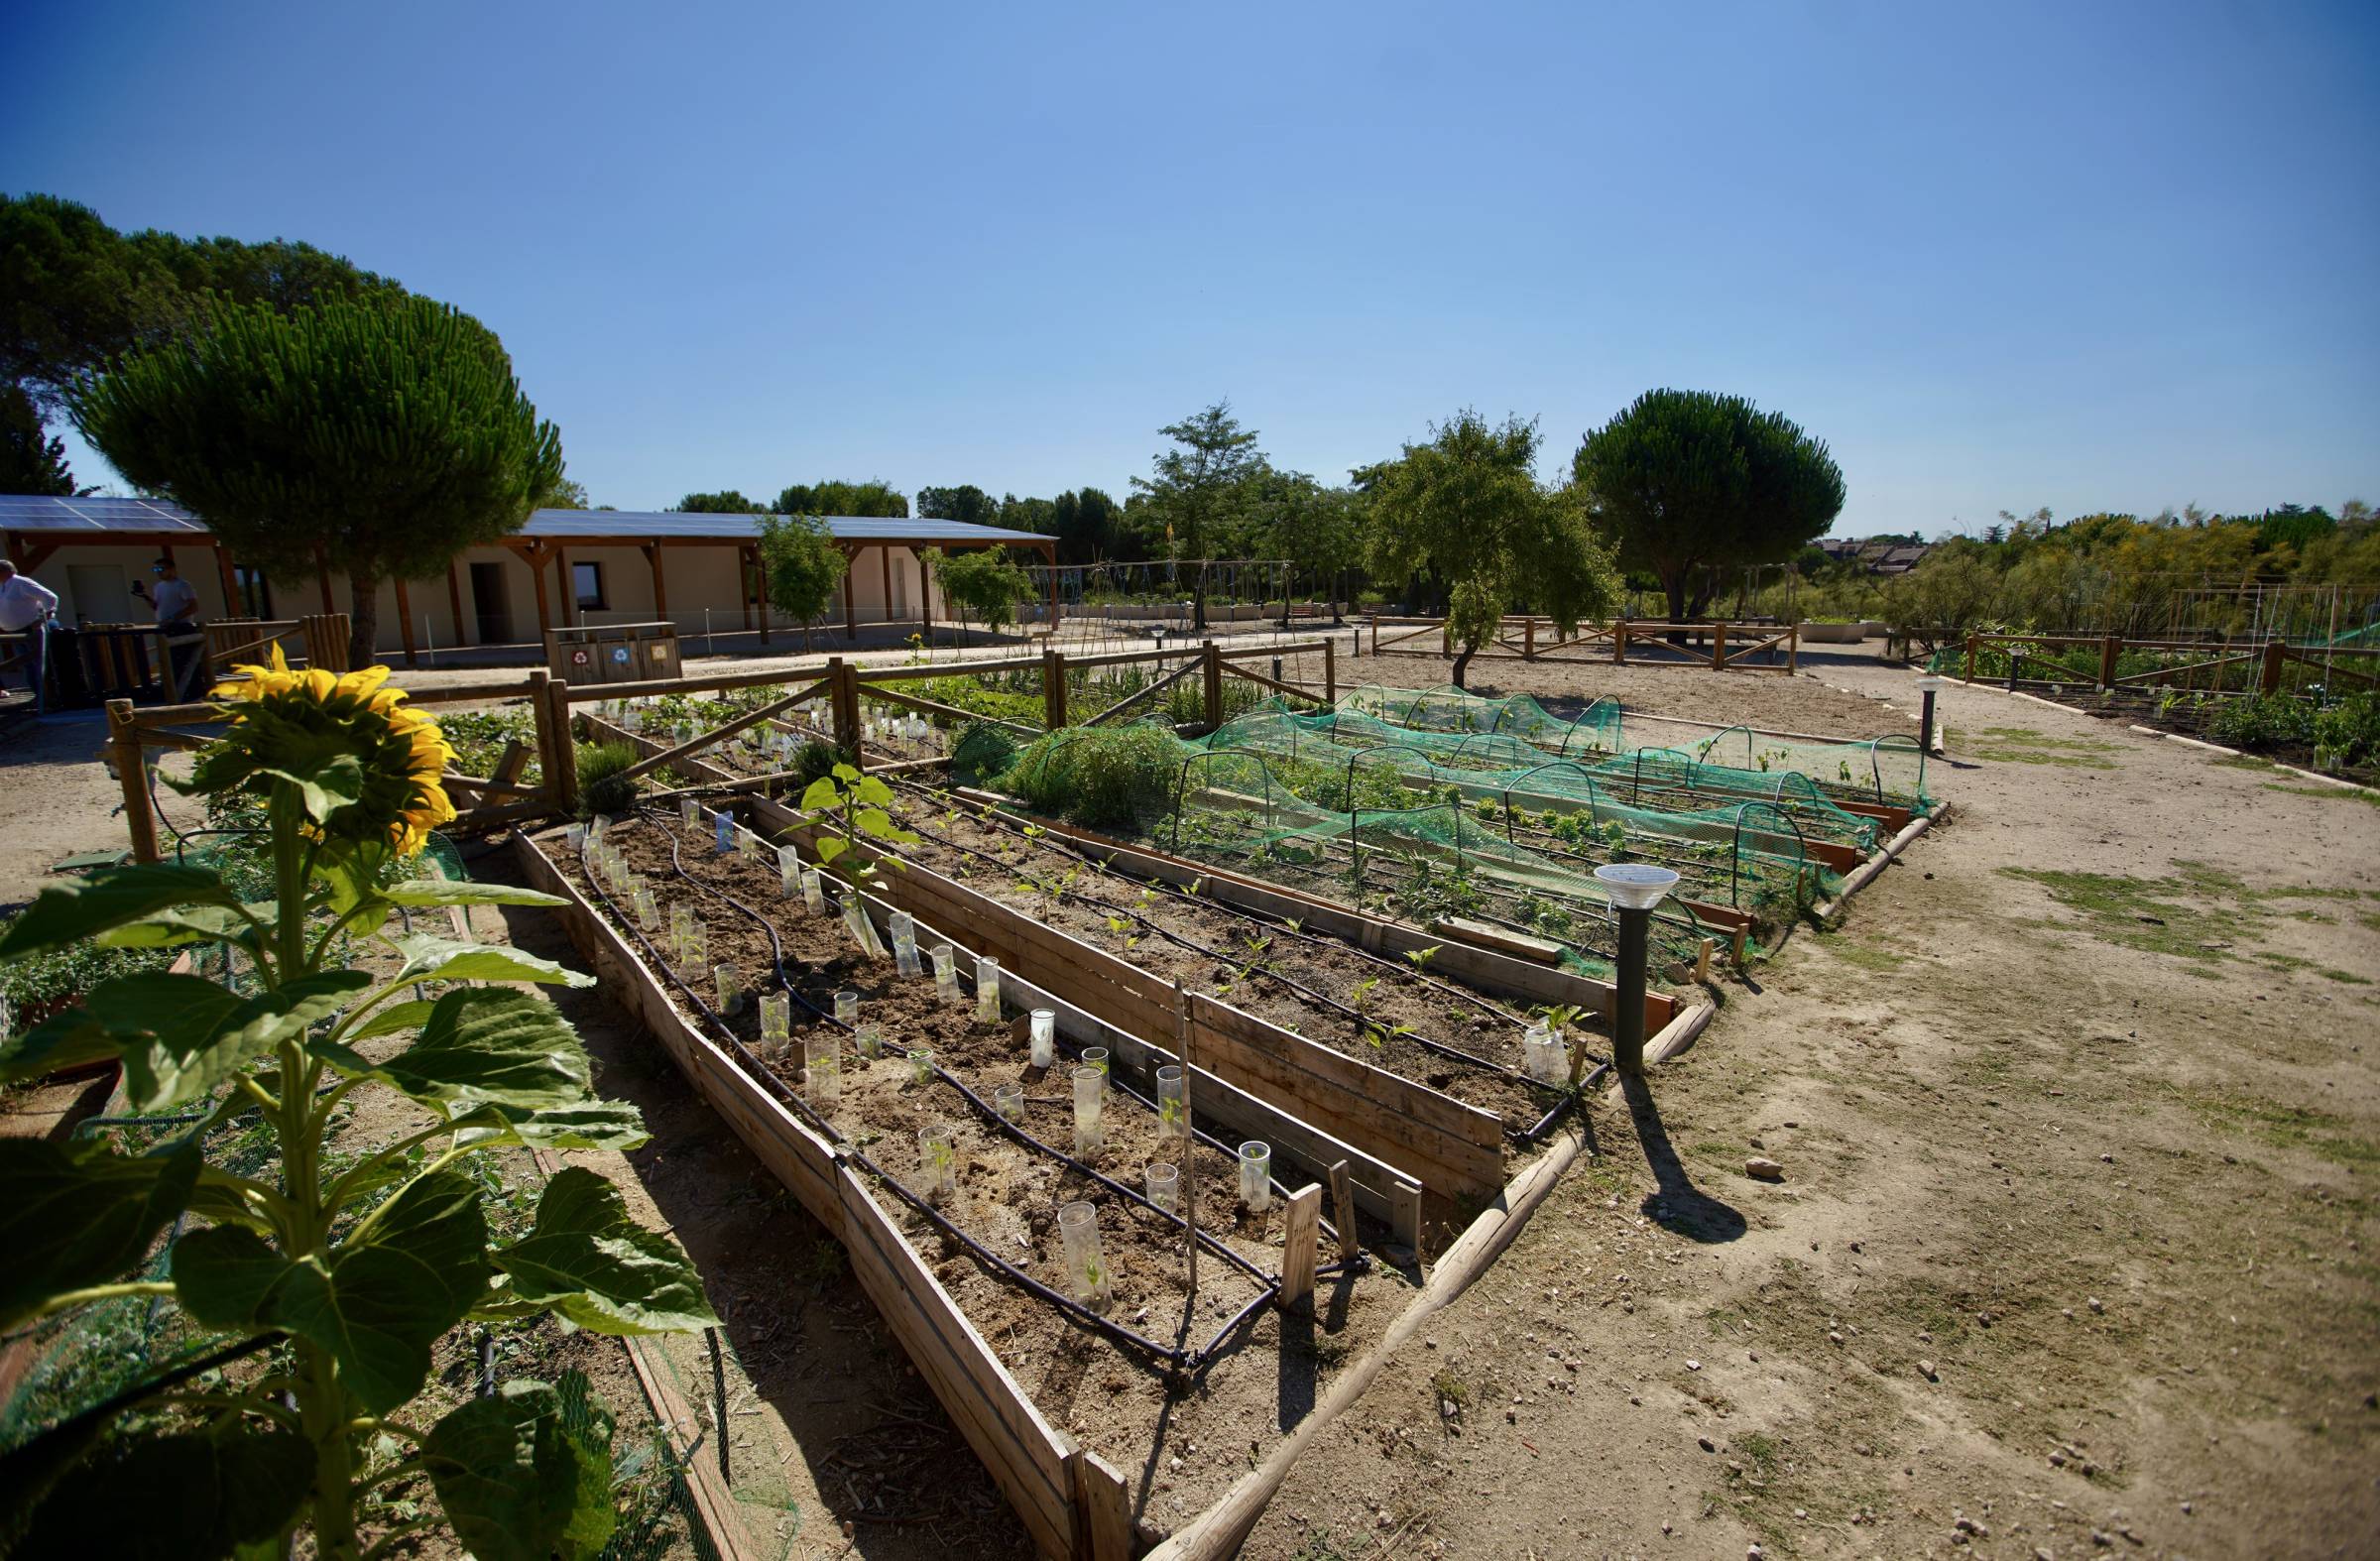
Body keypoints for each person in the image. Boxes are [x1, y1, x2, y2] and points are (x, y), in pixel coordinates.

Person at [133, 555, 205, 700]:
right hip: (165, 628)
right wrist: (145, 596)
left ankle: (194, 694)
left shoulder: (182, 585)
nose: (158, 572)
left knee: (185, 662)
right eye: (155, 569)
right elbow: (157, 607)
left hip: (181, 627)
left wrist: (172, 619)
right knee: (170, 663)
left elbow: (193, 606)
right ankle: (177, 694)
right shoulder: (158, 587)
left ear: (172, 569)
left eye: (161, 569)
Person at [0, 558, 60, 711]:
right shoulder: (4, 587)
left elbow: (50, 597)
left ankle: (48, 697)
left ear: (5, 571)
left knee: (38, 664)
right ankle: (39, 697)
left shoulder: (20, 582)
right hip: (15, 632)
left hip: (30, 631)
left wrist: (43, 618)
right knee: (28, 665)